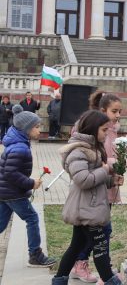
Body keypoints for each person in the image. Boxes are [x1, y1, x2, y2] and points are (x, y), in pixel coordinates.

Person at [52, 110, 124, 285]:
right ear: (92, 129)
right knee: (100, 247)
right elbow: (83, 180)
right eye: (104, 130)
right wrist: (106, 170)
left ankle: (59, 280)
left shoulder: (93, 149)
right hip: (86, 208)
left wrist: (111, 180)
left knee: (76, 246)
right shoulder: (78, 151)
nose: (106, 134)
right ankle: (110, 281)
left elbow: (94, 180)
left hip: (88, 206)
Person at [70, 92, 123, 283]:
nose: (118, 115)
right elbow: (89, 160)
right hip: (91, 189)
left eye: (120, 111)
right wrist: (110, 164)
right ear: (102, 111)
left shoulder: (111, 128)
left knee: (93, 233)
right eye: (114, 111)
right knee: (99, 231)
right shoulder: (89, 129)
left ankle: (89, 267)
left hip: (104, 184)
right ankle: (99, 270)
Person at [0, 110, 57, 268]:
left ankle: (35, 255)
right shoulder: (20, 148)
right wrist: (31, 183)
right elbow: (10, 173)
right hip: (13, 193)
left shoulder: (17, 143)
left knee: (1, 224)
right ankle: (35, 256)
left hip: (5, 191)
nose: (40, 130)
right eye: (37, 127)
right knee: (32, 218)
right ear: (26, 128)